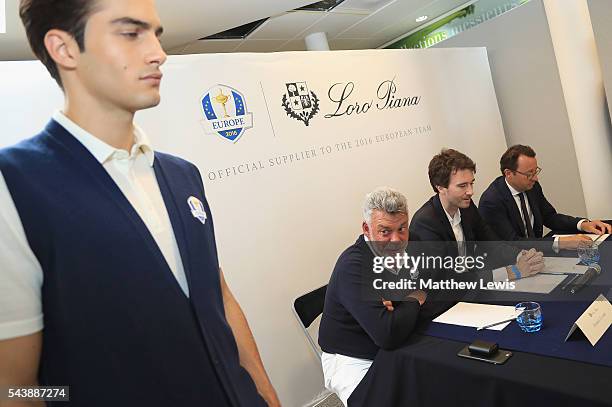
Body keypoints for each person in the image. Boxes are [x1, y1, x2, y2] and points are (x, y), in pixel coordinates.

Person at [0, 1, 279, 406]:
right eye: (131, 34)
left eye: (155, 34)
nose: (158, 53)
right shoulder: (15, 185)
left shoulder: (183, 175)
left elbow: (218, 296)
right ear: (64, 49)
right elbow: (15, 388)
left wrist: (266, 393)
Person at [318, 187, 430, 406]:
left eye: (402, 229)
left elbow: (433, 287)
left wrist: (400, 305)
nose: (396, 240)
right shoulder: (354, 266)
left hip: (395, 342)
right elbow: (387, 333)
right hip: (352, 358)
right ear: (366, 229)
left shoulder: (412, 242)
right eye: (384, 231)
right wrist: (413, 299)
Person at [410, 149, 545, 280]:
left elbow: (490, 241)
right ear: (440, 187)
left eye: (471, 183)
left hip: (474, 283)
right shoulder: (425, 223)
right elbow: (448, 279)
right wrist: (513, 272)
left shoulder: (466, 207)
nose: (470, 191)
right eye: (462, 186)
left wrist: (521, 256)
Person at [479, 145, 611, 251]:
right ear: (508, 173)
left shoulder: (532, 186)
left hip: (537, 253)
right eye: (529, 174)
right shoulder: (491, 201)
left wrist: (583, 224)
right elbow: (513, 242)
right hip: (511, 262)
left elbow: (549, 217)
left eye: (535, 171)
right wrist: (560, 243)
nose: (535, 178)